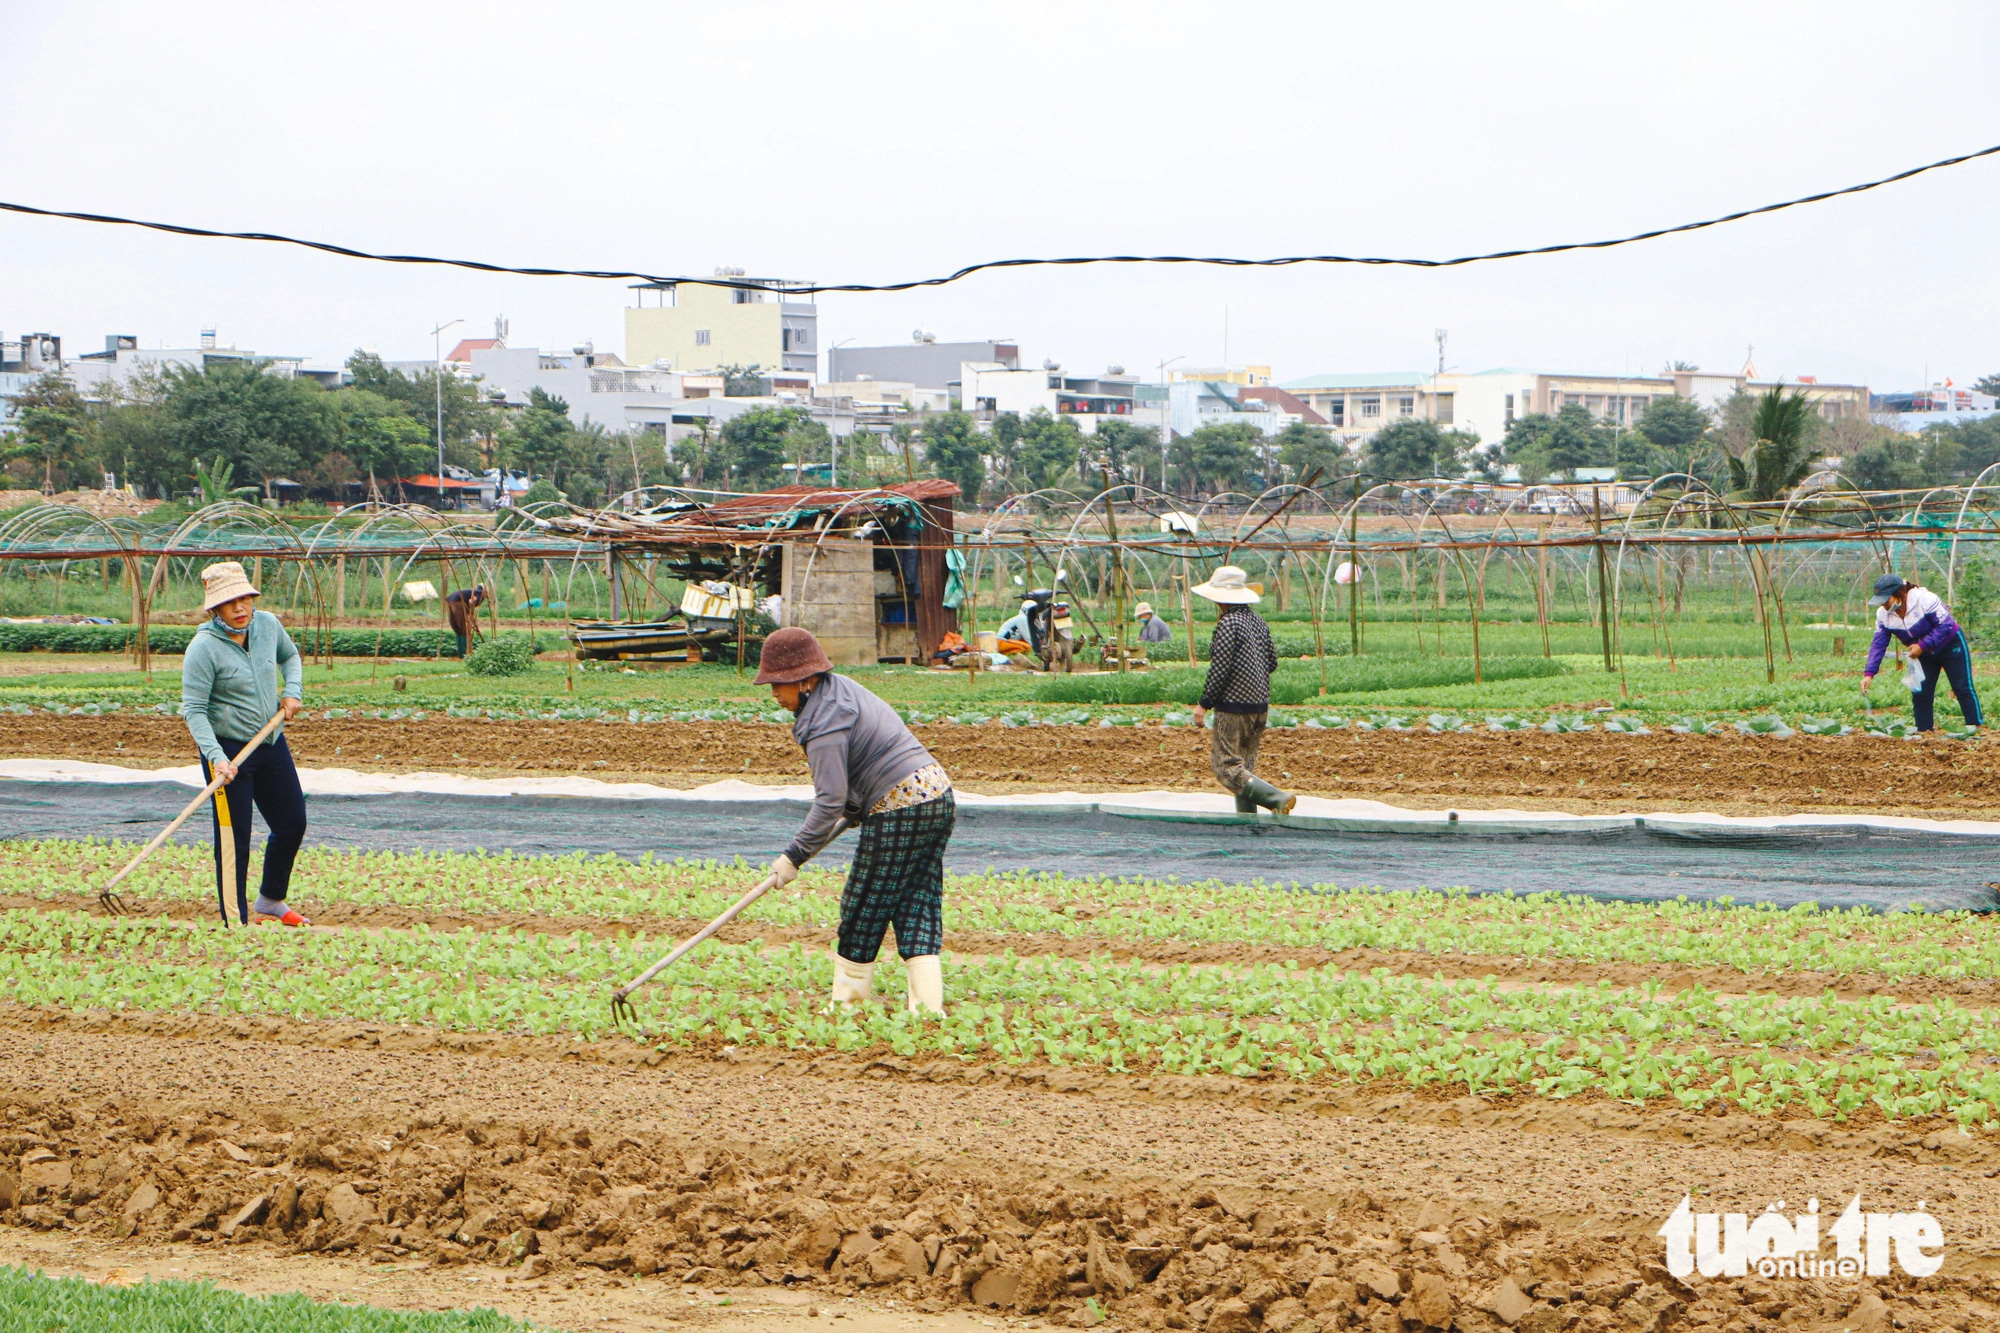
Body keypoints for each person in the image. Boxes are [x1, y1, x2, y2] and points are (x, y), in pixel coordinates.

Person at [759, 627, 955, 1015]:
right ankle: (929, 1010)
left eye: (779, 684)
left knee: (864, 904)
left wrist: (793, 856)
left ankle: (847, 1007)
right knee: (916, 899)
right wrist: (855, 807)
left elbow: (829, 799)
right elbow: (853, 782)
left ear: (806, 680)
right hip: (937, 794)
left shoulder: (824, 722)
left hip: (900, 803)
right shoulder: (841, 690)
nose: (775, 695)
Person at [181, 561, 310, 927]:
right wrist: (216, 758)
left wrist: (292, 692)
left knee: (291, 823)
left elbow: (290, 657)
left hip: (269, 742)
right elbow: (193, 710)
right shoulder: (203, 648)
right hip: (226, 751)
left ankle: (270, 900)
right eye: (229, 602)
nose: (239, 608)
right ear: (215, 608)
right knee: (233, 840)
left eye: (245, 599)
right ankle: (235, 923)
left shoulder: (268, 625)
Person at [1188, 565, 1296, 816]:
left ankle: (1276, 798)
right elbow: (1271, 662)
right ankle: (1248, 824)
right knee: (1244, 768)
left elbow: (1220, 668)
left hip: (1234, 708)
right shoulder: (1257, 622)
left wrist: (1204, 703)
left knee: (1225, 767)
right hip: (1258, 706)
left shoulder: (1229, 623)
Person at [1862, 573, 1982, 732]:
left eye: (1886, 599)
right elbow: (1879, 644)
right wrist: (1869, 673)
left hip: (1950, 645)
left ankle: (1974, 728)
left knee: (1962, 687)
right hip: (1922, 654)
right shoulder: (1883, 615)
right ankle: (1924, 733)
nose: (1883, 605)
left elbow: (1945, 626)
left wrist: (1922, 645)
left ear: (1899, 594)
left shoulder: (1925, 599)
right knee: (1920, 693)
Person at [444, 584, 487, 658]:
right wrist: (473, 623)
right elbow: (472, 603)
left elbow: (468, 607)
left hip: (450, 601)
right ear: (485, 591)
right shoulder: (480, 594)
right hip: (457, 602)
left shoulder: (472, 592)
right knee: (463, 628)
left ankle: (461, 653)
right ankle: (464, 654)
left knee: (457, 629)